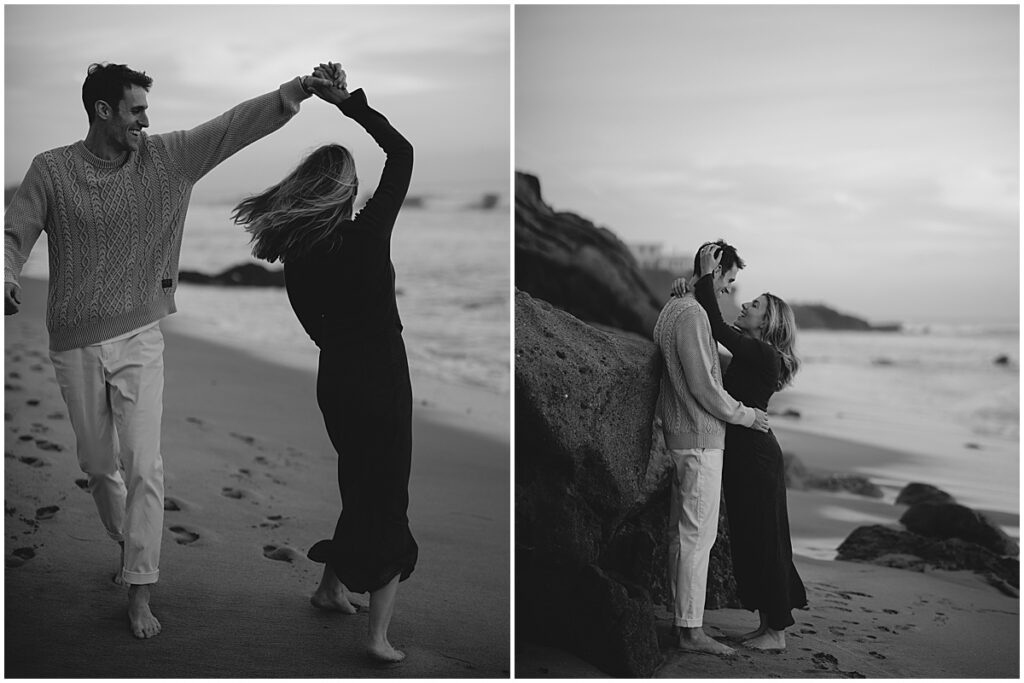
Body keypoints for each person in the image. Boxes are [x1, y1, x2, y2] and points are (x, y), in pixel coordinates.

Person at [4, 61, 334, 639]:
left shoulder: (168, 159)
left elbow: (235, 125)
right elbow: (15, 232)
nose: (146, 121)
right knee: (98, 466)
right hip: (75, 341)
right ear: (102, 111)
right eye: (136, 110)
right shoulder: (51, 171)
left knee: (144, 465)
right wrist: (6, 275)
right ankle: (127, 543)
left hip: (140, 336)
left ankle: (140, 588)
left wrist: (297, 91)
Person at [232, 62, 417, 664]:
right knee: (386, 497)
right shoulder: (366, 237)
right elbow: (403, 152)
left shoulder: (296, 254)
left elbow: (316, 330)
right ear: (342, 190)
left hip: (335, 380)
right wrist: (347, 103)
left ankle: (329, 589)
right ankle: (378, 635)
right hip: (382, 379)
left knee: (359, 482)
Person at [678, 244, 808, 651]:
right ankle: (766, 624)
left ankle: (776, 632)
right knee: (753, 539)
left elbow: (714, 327)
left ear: (767, 321)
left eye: (754, 304)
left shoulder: (764, 353)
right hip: (744, 452)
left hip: (755, 455)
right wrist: (686, 291)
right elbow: (704, 341)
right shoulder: (752, 354)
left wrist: (703, 277)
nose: (744, 303)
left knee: (766, 539)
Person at [652, 238, 770, 656]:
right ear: (715, 270)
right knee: (696, 538)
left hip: (685, 435)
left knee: (682, 536)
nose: (728, 291)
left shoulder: (677, 307)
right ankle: (690, 631)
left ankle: (683, 622)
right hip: (700, 437)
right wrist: (746, 415)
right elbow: (704, 385)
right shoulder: (690, 314)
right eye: (728, 281)